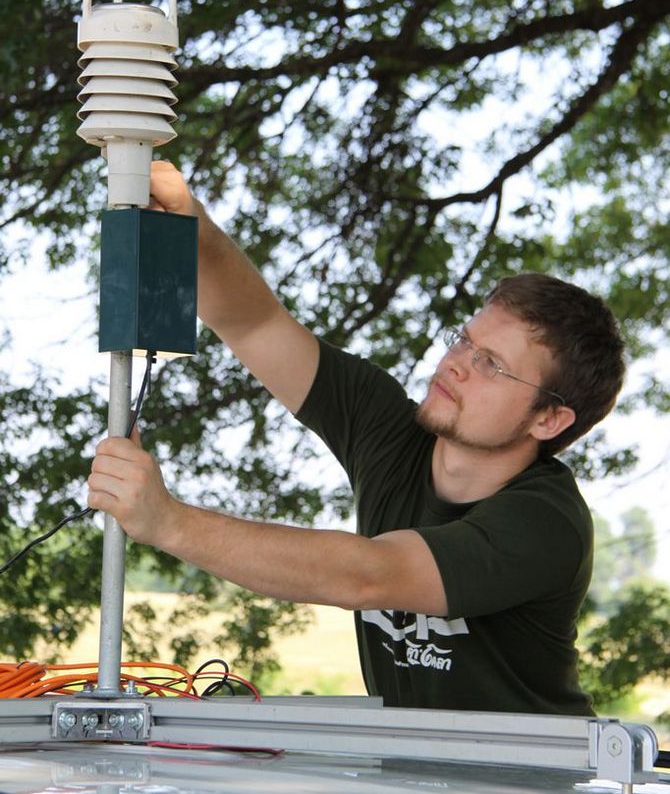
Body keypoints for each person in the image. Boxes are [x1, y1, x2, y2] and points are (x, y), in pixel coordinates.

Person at [88, 160, 626, 715]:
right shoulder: (390, 427)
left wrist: (168, 521)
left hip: (530, 778)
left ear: (549, 420)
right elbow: (256, 324)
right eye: (464, 341)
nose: (457, 363)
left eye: (491, 365)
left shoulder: (546, 521)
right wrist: (190, 226)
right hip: (410, 770)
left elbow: (368, 576)